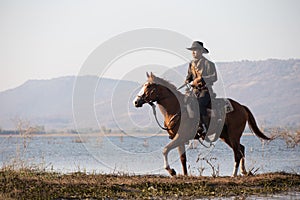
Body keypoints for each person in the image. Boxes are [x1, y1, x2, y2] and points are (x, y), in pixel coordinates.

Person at [185, 41, 217, 139]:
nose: (193, 52)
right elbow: (189, 77)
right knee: (184, 102)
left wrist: (202, 79)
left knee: (199, 104)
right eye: (192, 51)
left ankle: (203, 126)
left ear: (201, 51)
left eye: (195, 50)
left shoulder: (209, 64)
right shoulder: (191, 64)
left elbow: (214, 77)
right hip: (194, 91)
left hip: (206, 90)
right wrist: (187, 80)